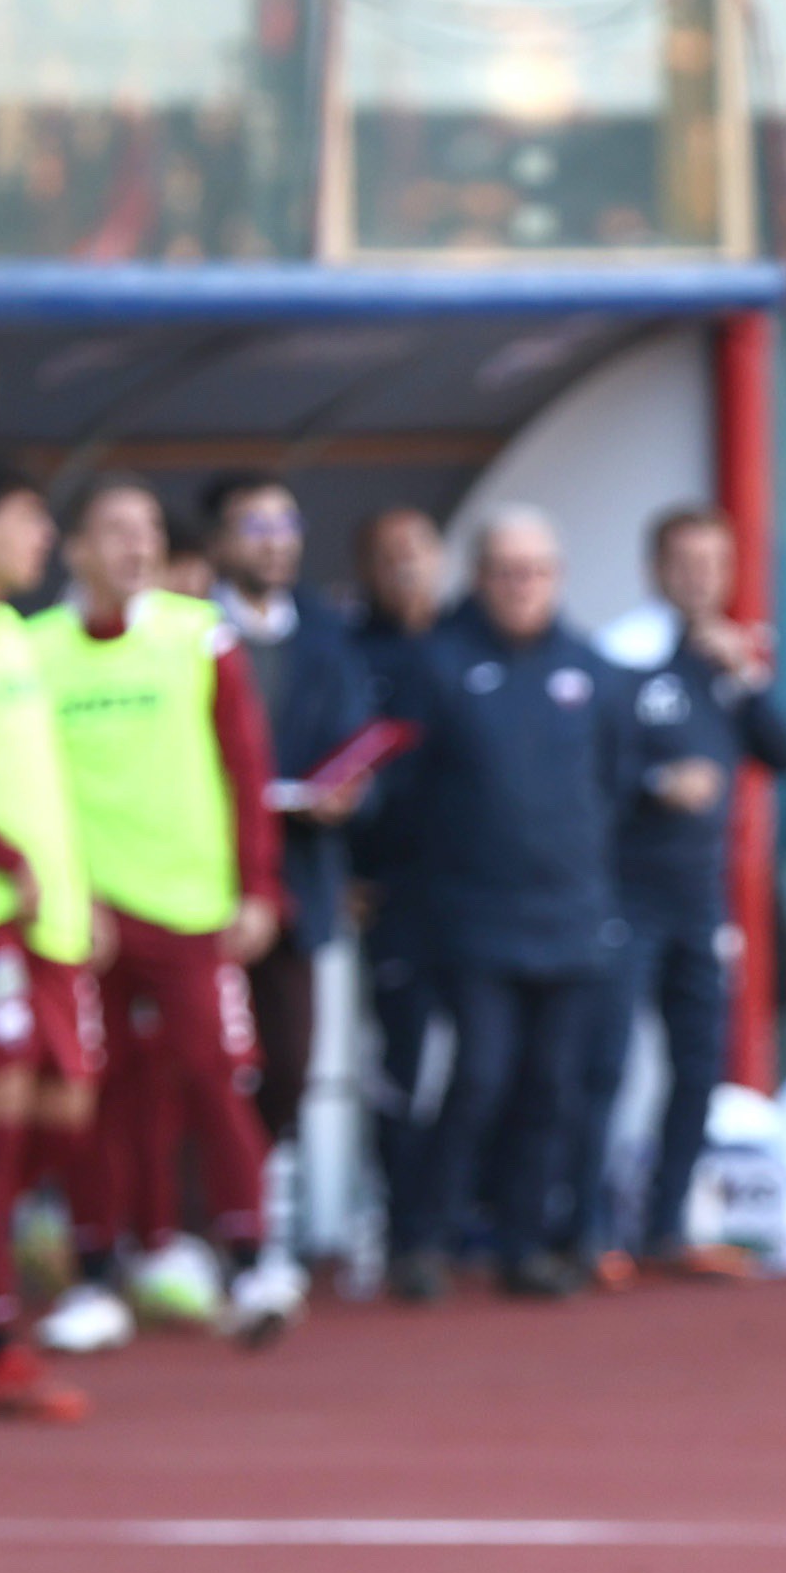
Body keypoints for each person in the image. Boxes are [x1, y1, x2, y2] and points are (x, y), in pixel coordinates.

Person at [30, 474, 298, 1350]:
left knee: (219, 1081)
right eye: (115, 530)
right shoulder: (34, 648)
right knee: (96, 1098)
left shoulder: (198, 636)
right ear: (75, 549)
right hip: (88, 919)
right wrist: (69, 893)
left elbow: (245, 768)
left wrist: (257, 887)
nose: (137, 546)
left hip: (192, 912)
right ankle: (97, 1276)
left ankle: (252, 1261)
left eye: (147, 529)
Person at [379, 510, 641, 1302]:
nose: (522, 586)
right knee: (478, 1078)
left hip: (571, 915)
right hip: (470, 916)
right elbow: (403, 792)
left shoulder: (593, 672)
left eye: (536, 571)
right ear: (479, 577)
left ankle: (524, 1245)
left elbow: (614, 783)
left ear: (557, 577)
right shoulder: (438, 666)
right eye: (506, 571)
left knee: (552, 1085)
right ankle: (423, 1238)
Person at [578, 508, 786, 1281]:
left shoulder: (725, 660)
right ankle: (591, 1233)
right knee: (604, 1064)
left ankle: (667, 1226)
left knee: (699, 1061)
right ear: (656, 569)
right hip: (623, 892)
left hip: (700, 898)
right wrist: (654, 782)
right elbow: (586, 770)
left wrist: (745, 677)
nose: (702, 578)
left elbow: (783, 750)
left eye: (715, 563)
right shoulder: (621, 655)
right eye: (686, 562)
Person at [200, 472, 378, 1200]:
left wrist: (349, 793)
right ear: (218, 542)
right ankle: (201, 1224)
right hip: (201, 880)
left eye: (286, 525)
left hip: (296, 879)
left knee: (290, 1062)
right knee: (201, 1065)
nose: (275, 543)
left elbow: (359, 743)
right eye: (256, 526)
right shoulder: (187, 632)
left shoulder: (327, 636)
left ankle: (240, 1206)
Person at [0, 456, 96, 1417]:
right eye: (27, 517)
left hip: (48, 927)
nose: (43, 536)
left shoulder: (7, 633)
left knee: (63, 1115)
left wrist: (77, 898)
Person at [346, 509, 451, 1263]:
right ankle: (405, 1219)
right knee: (402, 1059)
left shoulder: (470, 641)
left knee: (491, 1060)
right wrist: (350, 869)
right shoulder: (348, 652)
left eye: (418, 552)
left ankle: (471, 1208)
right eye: (389, 555)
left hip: (481, 893)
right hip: (390, 895)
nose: (406, 567)